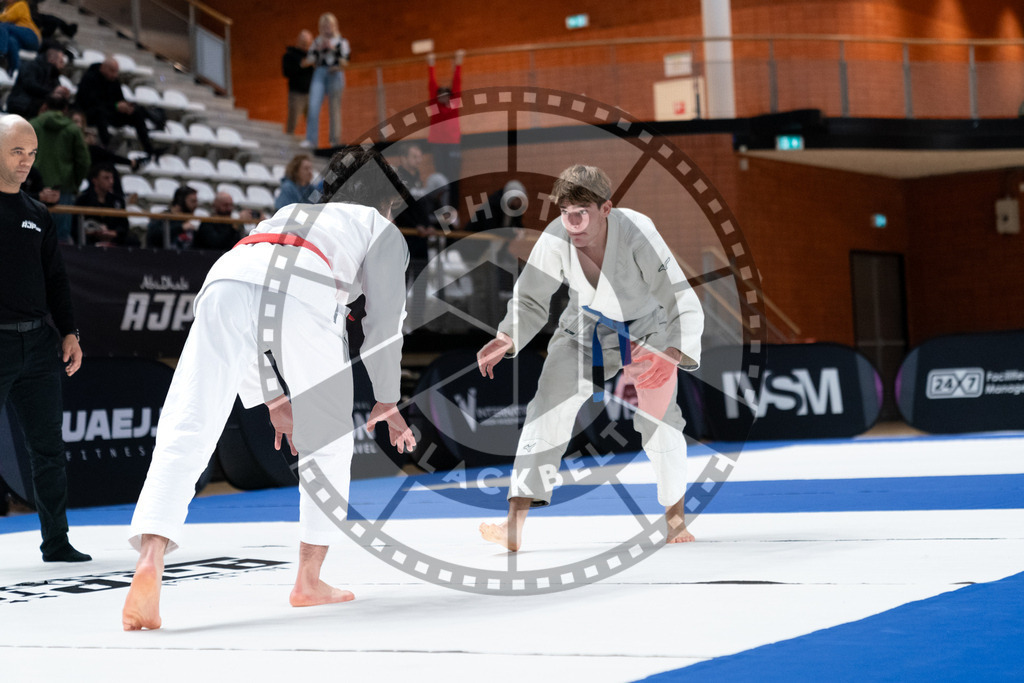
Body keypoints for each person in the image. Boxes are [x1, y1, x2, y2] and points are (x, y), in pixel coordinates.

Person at [122, 146, 415, 630]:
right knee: (329, 441)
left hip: (224, 280)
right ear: (387, 205)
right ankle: (308, 579)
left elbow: (254, 299)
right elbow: (384, 322)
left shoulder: (292, 211)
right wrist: (387, 398)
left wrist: (273, 398)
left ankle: (150, 556)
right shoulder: (381, 227)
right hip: (304, 287)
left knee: (189, 419)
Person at [476, 164, 704, 551]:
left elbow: (677, 295)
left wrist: (671, 351)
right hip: (584, 330)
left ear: (606, 209)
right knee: (545, 408)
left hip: (648, 329)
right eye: (566, 213)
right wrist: (507, 336)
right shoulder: (555, 237)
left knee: (661, 417)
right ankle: (512, 523)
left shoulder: (638, 233)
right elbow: (531, 298)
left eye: (582, 213)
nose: (573, 223)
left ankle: (675, 520)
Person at [0, 114, 88, 562]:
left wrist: (69, 332)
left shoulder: (37, 214)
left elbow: (56, 279)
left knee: (48, 449)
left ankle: (56, 541)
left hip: (37, 345)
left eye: (31, 154)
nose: (26, 162)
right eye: (17, 151)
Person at [29, 94, 89, 243]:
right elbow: (84, 161)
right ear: (66, 109)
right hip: (64, 188)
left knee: (32, 235)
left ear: (45, 106)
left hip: (33, 190)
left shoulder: (32, 125)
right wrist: (75, 182)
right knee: (60, 241)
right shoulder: (73, 129)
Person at [74, 56, 156, 157]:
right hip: (91, 114)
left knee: (136, 112)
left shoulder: (114, 80)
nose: (115, 75)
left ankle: (149, 149)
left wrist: (126, 106)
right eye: (112, 71)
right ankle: (107, 148)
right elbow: (92, 102)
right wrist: (115, 106)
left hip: (110, 112)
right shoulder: (90, 78)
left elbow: (119, 99)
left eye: (116, 72)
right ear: (103, 68)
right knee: (100, 114)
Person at [303, 12, 349, 149]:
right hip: (320, 73)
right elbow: (308, 61)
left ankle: (335, 141)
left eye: (329, 24)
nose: (327, 27)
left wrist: (332, 49)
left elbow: (345, 62)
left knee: (334, 109)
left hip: (335, 73)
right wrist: (317, 50)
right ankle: (311, 140)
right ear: (320, 27)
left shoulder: (341, 42)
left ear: (334, 26)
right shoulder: (316, 41)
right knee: (313, 106)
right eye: (324, 25)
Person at [427, 50, 464, 202]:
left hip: (452, 144)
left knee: (454, 176)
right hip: (438, 145)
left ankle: (453, 207)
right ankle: (442, 206)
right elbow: (431, 85)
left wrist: (458, 63)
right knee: (440, 176)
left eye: (445, 94)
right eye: (439, 94)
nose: (442, 97)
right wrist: (431, 65)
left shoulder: (454, 105)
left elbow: (457, 84)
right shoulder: (434, 107)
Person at [73, 162, 136, 246]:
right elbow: (75, 227)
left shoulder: (118, 200)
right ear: (95, 180)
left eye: (112, 178)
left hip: (114, 239)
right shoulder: (83, 200)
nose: (111, 181)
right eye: (106, 178)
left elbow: (124, 225)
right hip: (91, 240)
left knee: (133, 240)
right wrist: (94, 232)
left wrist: (114, 233)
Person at [5, 40, 69, 119]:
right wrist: (52, 92)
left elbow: (53, 91)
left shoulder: (53, 74)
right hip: (22, 108)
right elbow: (30, 85)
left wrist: (59, 94)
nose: (62, 65)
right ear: (52, 58)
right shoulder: (31, 66)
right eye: (60, 61)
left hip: (36, 111)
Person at [193, 191, 263, 252]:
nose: (229, 209)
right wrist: (235, 226)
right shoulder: (207, 223)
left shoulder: (231, 223)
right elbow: (217, 245)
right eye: (225, 205)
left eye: (231, 205)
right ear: (215, 206)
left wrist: (259, 225)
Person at [281, 30, 314, 137]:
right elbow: (286, 72)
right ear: (298, 41)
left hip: (311, 94)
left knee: (313, 122)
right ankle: (288, 145)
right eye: (303, 42)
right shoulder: (290, 55)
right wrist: (301, 65)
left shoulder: (312, 56)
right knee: (293, 122)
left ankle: (313, 143)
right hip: (296, 94)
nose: (305, 45)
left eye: (307, 43)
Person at [146, 185, 198, 249]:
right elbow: (154, 236)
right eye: (193, 201)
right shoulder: (161, 218)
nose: (196, 205)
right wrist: (180, 228)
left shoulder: (187, 221)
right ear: (181, 201)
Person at [0, 0, 40, 75]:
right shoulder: (7, 9)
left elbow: (7, 18)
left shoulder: (21, 4)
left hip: (31, 34)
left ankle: (1, 52)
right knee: (11, 41)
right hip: (24, 40)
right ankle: (14, 71)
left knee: (3, 26)